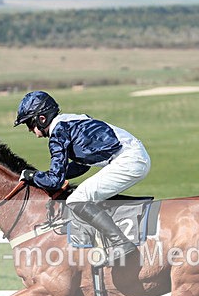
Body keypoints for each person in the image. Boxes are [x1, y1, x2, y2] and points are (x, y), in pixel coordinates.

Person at [13, 90, 151, 264]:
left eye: (29, 124)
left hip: (129, 160)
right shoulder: (71, 121)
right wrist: (50, 176)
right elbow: (81, 166)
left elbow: (55, 181)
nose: (30, 130)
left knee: (76, 200)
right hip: (133, 156)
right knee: (86, 195)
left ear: (42, 119)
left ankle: (121, 243)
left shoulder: (59, 132)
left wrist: (31, 175)